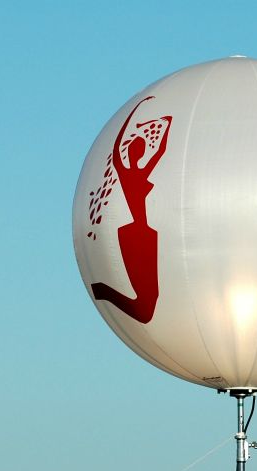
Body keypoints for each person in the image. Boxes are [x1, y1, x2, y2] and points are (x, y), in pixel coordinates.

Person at [89, 96, 172, 324]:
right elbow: (116, 147)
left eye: (141, 148)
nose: (140, 151)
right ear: (132, 152)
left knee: (149, 301)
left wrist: (168, 124)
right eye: (137, 148)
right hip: (134, 234)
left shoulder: (141, 172)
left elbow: (161, 150)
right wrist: (134, 112)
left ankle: (104, 290)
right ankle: (104, 290)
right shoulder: (125, 172)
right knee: (146, 308)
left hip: (145, 232)